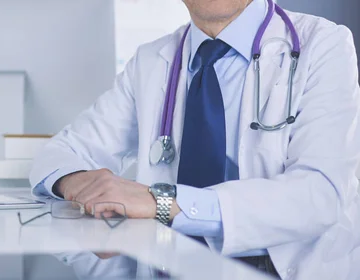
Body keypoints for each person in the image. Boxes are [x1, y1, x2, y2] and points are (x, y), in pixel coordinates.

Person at [29, 0, 360, 279]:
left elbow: (320, 194)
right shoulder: (151, 61)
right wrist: (83, 183)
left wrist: (162, 202)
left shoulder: (323, 44)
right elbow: (59, 155)